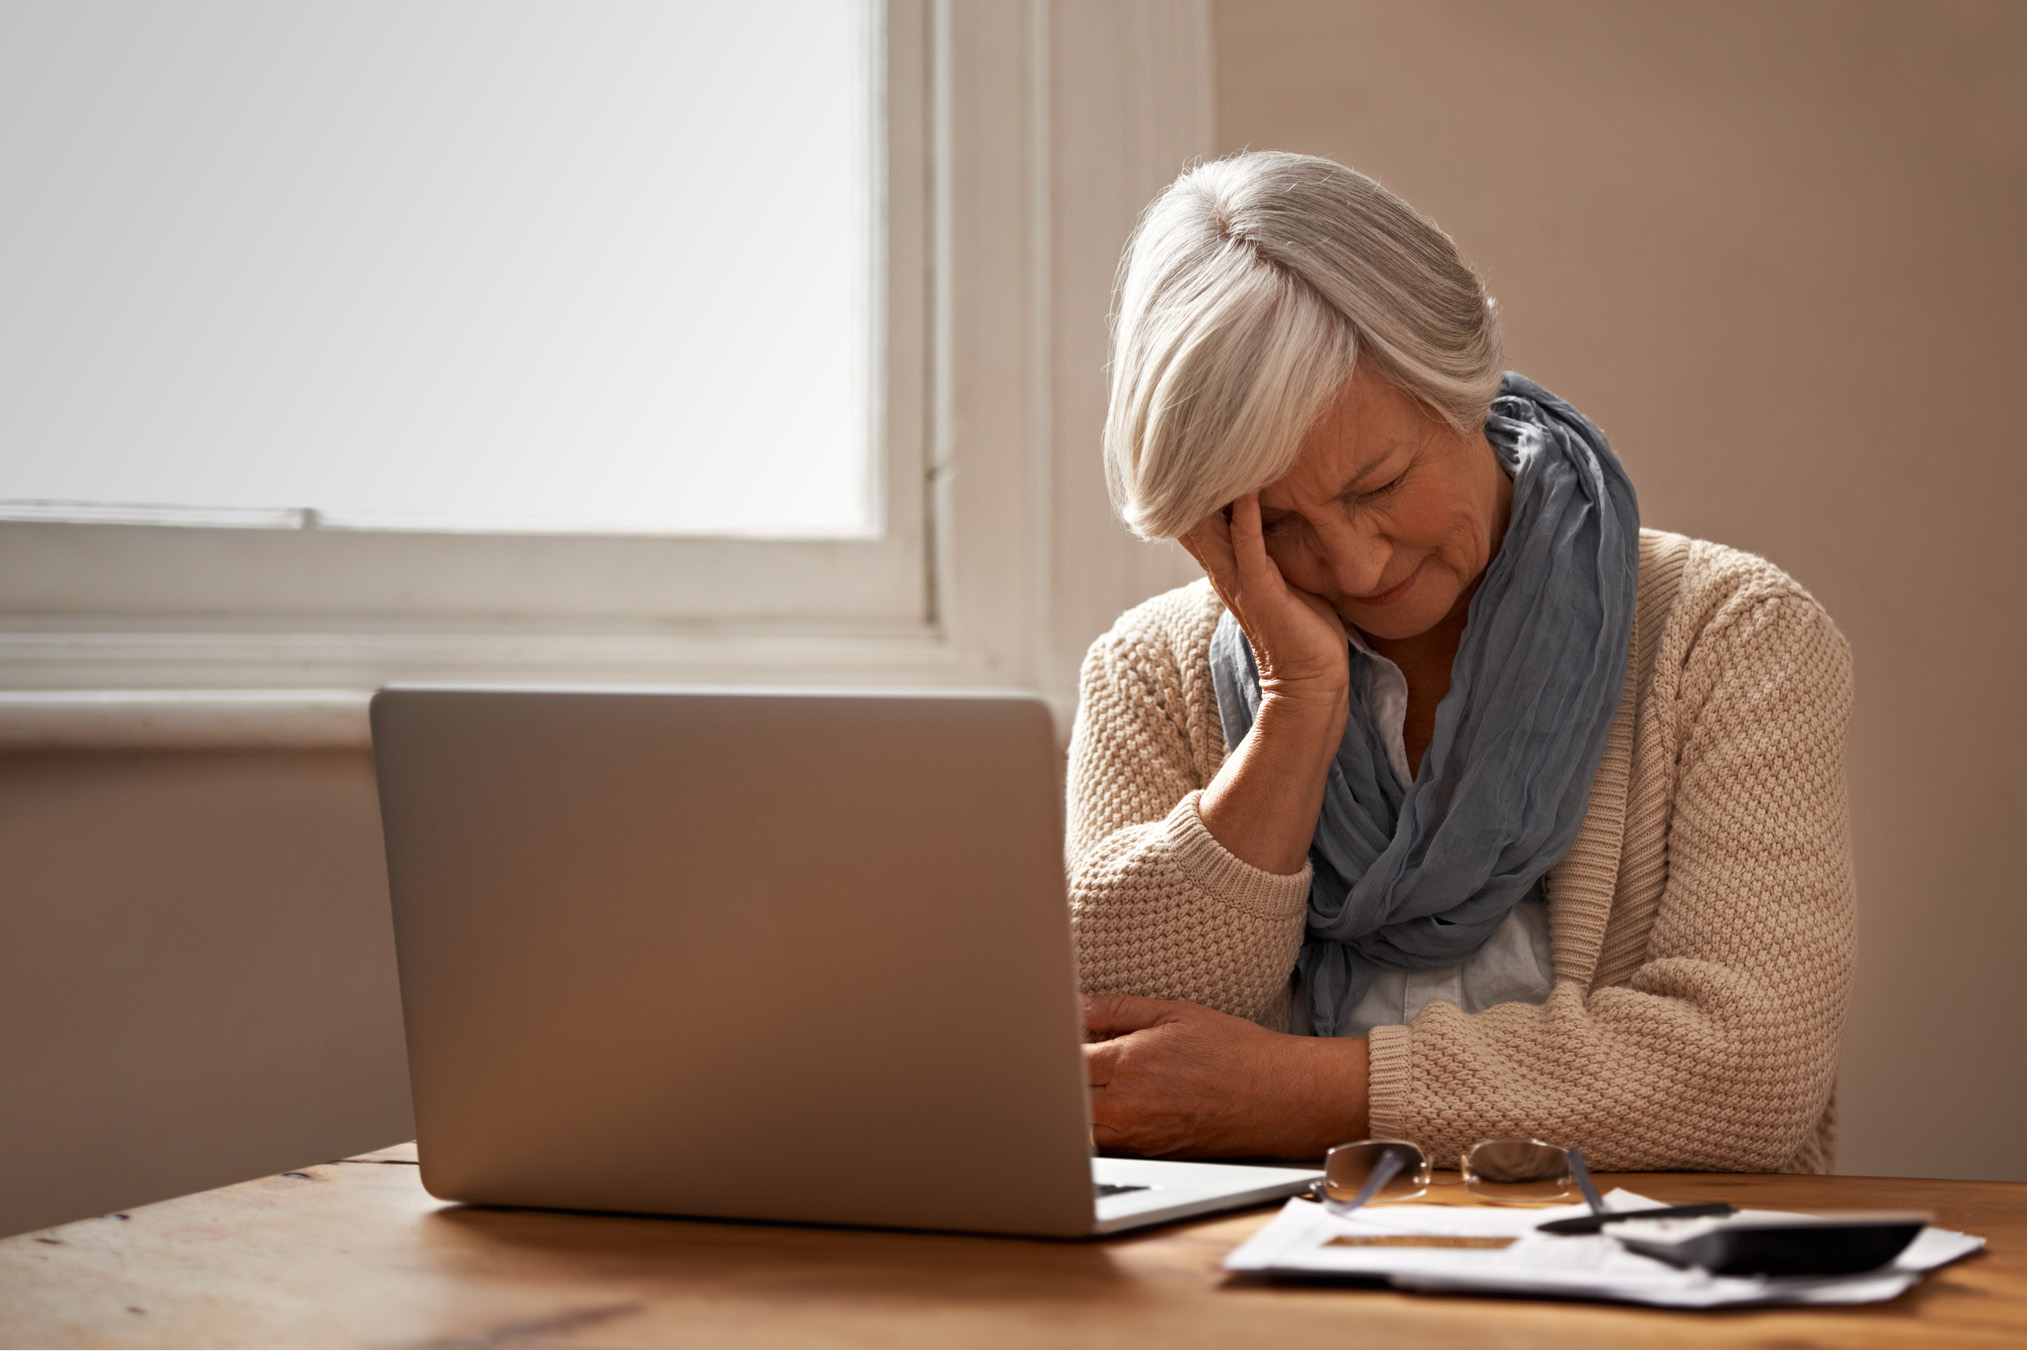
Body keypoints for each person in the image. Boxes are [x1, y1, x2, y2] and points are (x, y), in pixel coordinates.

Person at [1069, 151, 1854, 1172]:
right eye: (1276, 525)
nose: (1350, 562)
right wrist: (1292, 707)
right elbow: (1118, 1068)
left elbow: (1747, 1073)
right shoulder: (1149, 673)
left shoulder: (1729, 633)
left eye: (1376, 483)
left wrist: (1300, 1092)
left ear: (1462, 383)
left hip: (1653, 1298)